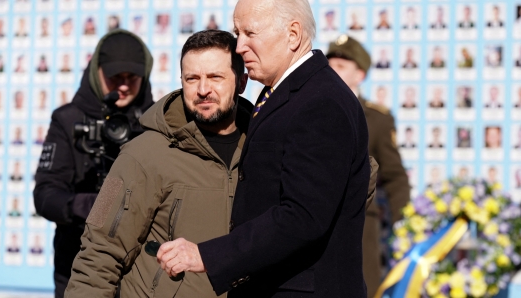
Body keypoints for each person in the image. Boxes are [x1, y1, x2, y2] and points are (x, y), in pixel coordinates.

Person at [156, 1, 378, 297]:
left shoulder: (320, 102)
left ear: (293, 34)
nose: (239, 46)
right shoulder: (288, 93)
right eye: (238, 32)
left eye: (250, 33)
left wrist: (206, 255)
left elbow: (303, 216)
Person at [65, 29, 253, 298]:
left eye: (215, 77)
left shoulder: (262, 148)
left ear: (242, 82)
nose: (202, 89)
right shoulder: (138, 154)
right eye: (192, 79)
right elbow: (97, 250)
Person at [33, 29, 154, 298]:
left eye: (132, 77)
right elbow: (45, 195)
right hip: (78, 264)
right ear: (96, 72)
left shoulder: (155, 122)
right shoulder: (68, 120)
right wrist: (92, 206)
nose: (123, 86)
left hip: (140, 270)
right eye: (115, 77)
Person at [326, 35, 410, 298]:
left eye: (341, 66)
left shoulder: (377, 119)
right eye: (329, 65)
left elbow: (395, 176)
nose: (332, 71)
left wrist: (404, 225)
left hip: (360, 226)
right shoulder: (309, 108)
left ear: (359, 75)